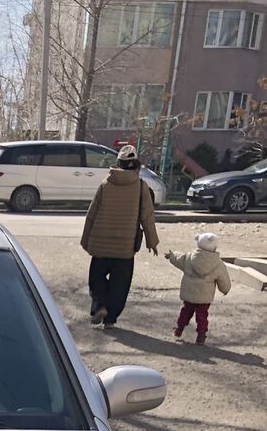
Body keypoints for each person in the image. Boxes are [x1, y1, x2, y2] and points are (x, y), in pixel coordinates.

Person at [80, 144, 159, 328]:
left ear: (118, 163)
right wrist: (152, 241)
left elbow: (92, 213)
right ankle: (110, 319)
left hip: (101, 243)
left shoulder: (105, 184)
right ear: (136, 164)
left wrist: (85, 240)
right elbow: (147, 216)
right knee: (120, 285)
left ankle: (100, 305)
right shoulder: (141, 187)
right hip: (125, 247)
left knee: (97, 278)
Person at [165, 232, 232, 346]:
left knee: (186, 311)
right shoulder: (218, 264)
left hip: (190, 294)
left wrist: (171, 255)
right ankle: (201, 335)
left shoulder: (189, 258)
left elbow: (178, 258)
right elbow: (224, 280)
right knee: (202, 316)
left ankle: (179, 329)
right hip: (204, 297)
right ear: (214, 247)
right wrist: (225, 289)